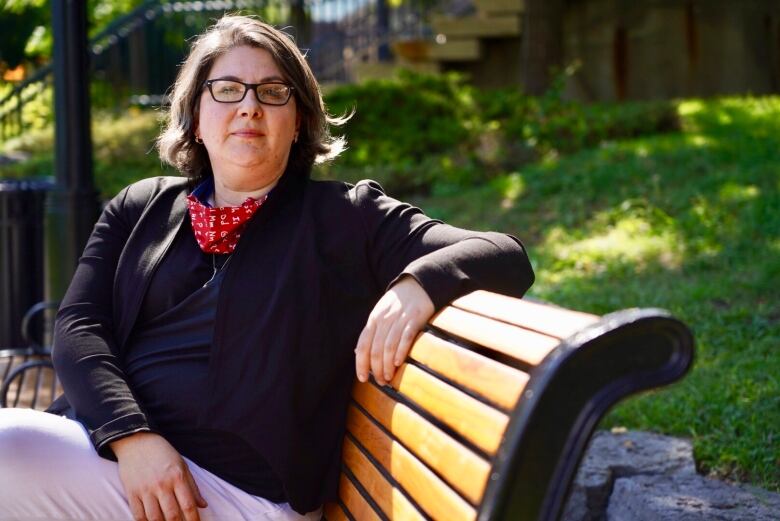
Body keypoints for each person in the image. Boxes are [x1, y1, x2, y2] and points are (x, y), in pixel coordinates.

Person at [0, 15, 534, 521]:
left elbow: (504, 253)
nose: (249, 107)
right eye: (227, 89)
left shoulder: (348, 217)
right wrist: (132, 437)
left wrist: (420, 283)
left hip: (243, 494)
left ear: (298, 120)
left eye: (273, 92)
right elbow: (79, 327)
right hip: (124, 463)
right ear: (195, 117)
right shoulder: (140, 208)